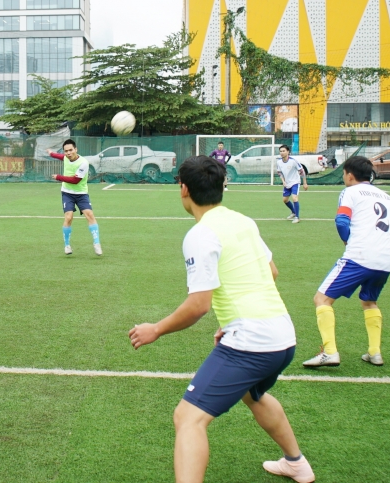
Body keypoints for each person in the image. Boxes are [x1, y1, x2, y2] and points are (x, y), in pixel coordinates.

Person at [128, 156, 313, 483]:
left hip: (252, 341)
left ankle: (295, 461)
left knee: (187, 418)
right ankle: (296, 463)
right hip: (283, 337)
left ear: (183, 189)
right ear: (221, 186)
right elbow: (271, 272)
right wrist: (232, 320)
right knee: (252, 394)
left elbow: (198, 305)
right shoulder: (243, 221)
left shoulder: (200, 234)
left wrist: (154, 329)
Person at [303, 156, 390, 369]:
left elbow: (341, 220)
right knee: (369, 302)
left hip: (359, 257)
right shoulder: (388, 198)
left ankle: (329, 352)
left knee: (322, 299)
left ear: (350, 175)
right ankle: (374, 352)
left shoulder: (350, 192)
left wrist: (349, 242)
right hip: (383, 261)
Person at [49, 139, 101, 256]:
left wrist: (59, 177)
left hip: (81, 193)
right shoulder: (65, 158)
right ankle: (67, 245)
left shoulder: (84, 163)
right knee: (68, 217)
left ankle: (96, 243)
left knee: (90, 215)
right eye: (66, 151)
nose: (68, 153)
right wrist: (51, 153)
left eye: (71, 150)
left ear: (76, 149)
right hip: (67, 193)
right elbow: (59, 156)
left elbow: (75, 180)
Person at [276, 145, 307, 224]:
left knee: (294, 198)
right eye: (281, 151)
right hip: (287, 183)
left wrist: (305, 183)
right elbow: (279, 173)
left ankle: (297, 217)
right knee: (285, 200)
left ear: (288, 152)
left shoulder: (293, 161)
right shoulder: (279, 162)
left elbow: (302, 171)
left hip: (295, 182)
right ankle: (293, 212)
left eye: (284, 151)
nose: (282, 153)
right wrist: (283, 181)